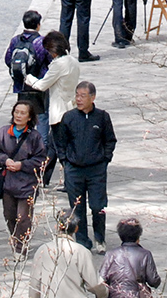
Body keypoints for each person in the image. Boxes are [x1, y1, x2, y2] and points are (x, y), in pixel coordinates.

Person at [58, 81, 116, 252]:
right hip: (74, 169)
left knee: (98, 206)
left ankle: (100, 238)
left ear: (93, 97)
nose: (79, 99)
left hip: (96, 169)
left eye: (83, 96)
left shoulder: (102, 117)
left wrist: (105, 158)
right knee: (77, 206)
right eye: (77, 95)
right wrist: (65, 161)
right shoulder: (69, 117)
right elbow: (61, 142)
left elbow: (110, 140)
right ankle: (82, 240)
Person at [0, 99, 48, 258]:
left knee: (23, 217)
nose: (18, 115)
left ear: (29, 117)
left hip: (27, 184)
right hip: (8, 182)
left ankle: (20, 247)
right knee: (9, 215)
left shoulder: (35, 137)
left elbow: (40, 159)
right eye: (17, 112)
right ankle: (16, 238)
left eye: (23, 113)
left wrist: (22, 165)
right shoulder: (3, 132)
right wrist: (5, 161)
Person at [26, 30, 80, 188]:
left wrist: (29, 78)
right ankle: (43, 177)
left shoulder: (58, 65)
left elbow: (42, 85)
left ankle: (70, 181)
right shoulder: (73, 61)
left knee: (60, 149)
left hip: (59, 111)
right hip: (71, 107)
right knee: (52, 147)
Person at [30, 210, 109, 298]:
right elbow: (94, 284)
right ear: (76, 229)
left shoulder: (43, 250)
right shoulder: (81, 251)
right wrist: (105, 293)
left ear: (56, 227)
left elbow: (35, 284)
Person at [101, 218, 161, 298]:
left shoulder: (111, 254)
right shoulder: (145, 254)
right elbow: (153, 280)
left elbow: (101, 279)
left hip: (115, 294)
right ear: (138, 236)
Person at [5, 10, 50, 114]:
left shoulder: (15, 40)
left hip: (20, 82)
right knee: (42, 114)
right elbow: (49, 61)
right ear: (38, 25)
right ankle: (39, 131)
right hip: (38, 82)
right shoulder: (41, 41)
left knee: (22, 111)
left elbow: (8, 60)